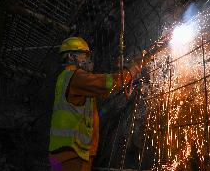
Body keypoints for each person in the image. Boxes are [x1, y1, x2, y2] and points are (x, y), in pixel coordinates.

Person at [48, 37, 141, 171]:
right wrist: (130, 72)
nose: (87, 59)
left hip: (59, 154)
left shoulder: (64, 78)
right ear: (70, 56)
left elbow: (98, 88)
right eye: (84, 55)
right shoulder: (76, 77)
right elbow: (107, 84)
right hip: (73, 154)